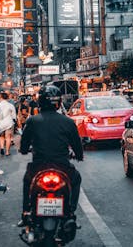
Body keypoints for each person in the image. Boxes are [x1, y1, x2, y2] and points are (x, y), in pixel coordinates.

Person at [19, 85, 83, 226]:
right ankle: (71, 211)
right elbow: (77, 144)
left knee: (27, 181)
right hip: (62, 166)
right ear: (59, 103)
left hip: (38, 167)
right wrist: (79, 155)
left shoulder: (32, 121)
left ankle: (25, 212)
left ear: (40, 102)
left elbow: (24, 145)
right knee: (76, 178)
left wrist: (24, 150)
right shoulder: (68, 121)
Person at [0, 92, 17, 156]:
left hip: (0, 123)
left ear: (1, 97)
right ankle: (7, 152)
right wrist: (14, 120)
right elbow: (14, 115)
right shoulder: (10, 105)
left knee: (1, 137)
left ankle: (2, 147)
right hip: (8, 122)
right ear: (7, 98)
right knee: (8, 137)